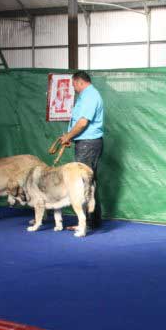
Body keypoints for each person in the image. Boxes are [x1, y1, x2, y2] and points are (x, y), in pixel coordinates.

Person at [59, 71, 104, 230]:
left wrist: (68, 136)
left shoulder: (90, 96)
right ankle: (91, 222)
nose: (74, 88)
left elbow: (83, 122)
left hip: (88, 143)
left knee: (83, 182)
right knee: (88, 181)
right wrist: (71, 136)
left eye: (74, 85)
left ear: (79, 82)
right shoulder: (86, 96)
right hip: (86, 142)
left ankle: (85, 223)